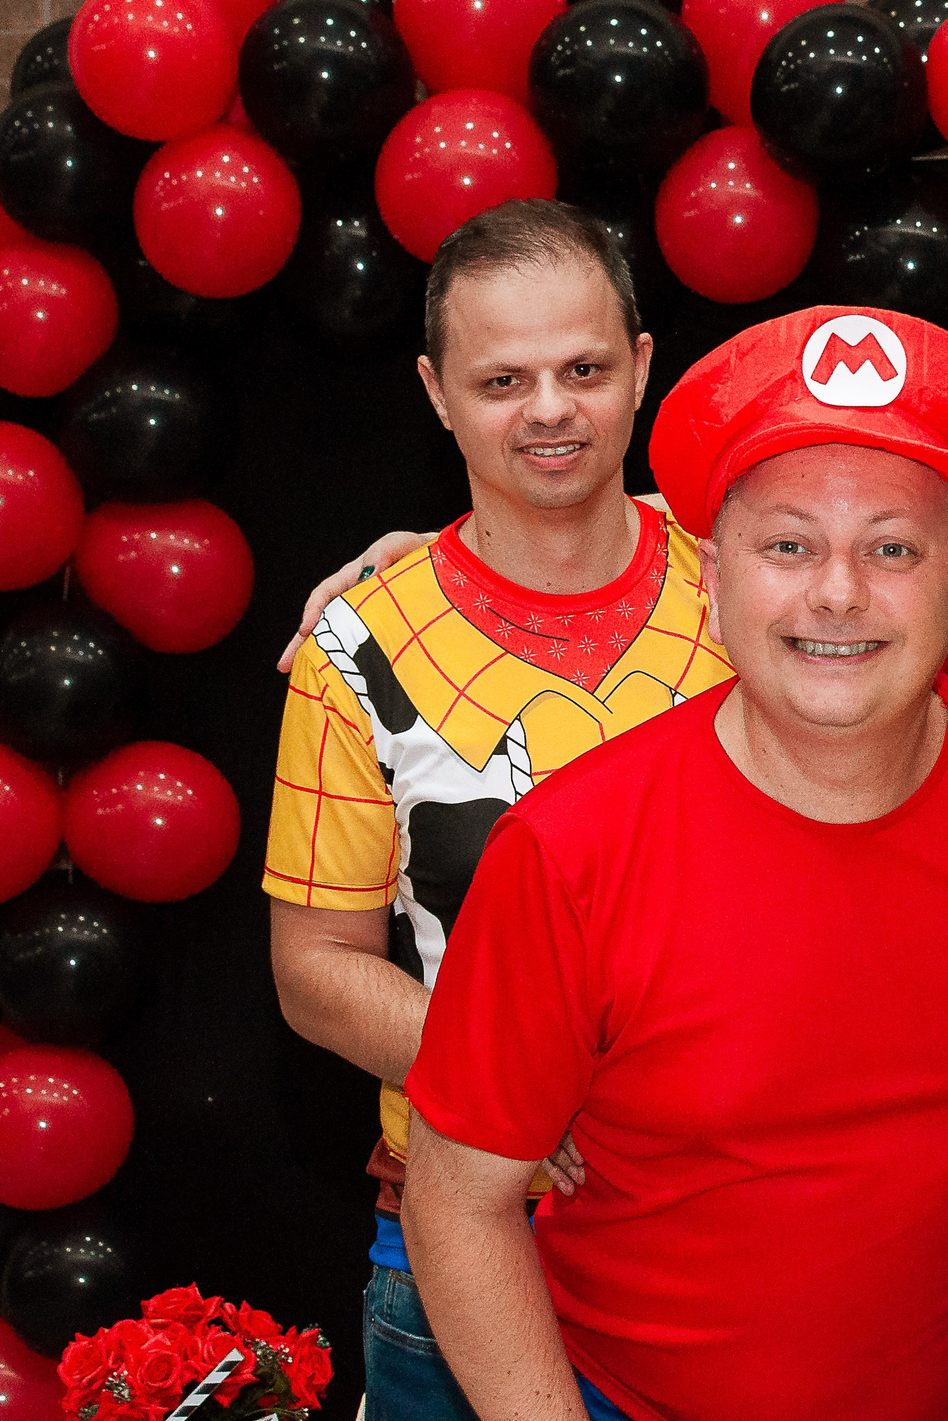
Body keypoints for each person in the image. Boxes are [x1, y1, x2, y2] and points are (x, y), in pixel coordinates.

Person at [397, 306, 948, 1421]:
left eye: (892, 548)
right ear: (711, 582)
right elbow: (458, 1199)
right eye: (787, 545)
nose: (837, 591)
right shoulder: (569, 850)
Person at [263, 200, 732, 1421]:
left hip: (729, 1234)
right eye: (502, 379)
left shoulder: (754, 591)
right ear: (436, 392)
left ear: (641, 365)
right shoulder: (359, 645)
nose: (548, 409)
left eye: (584, 368)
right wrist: (512, 1076)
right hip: (460, 1232)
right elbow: (315, 969)